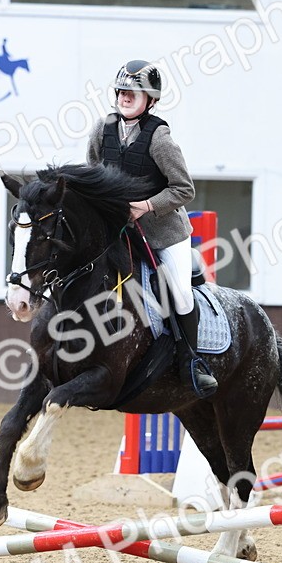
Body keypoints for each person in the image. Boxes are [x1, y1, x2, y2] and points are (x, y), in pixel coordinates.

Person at [86, 59, 217, 398]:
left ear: (151, 100)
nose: (126, 97)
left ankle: (192, 362)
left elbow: (184, 189)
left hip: (163, 233)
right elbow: (94, 178)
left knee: (179, 291)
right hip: (118, 232)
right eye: (122, 91)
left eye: (134, 92)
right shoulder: (102, 131)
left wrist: (144, 206)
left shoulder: (160, 139)